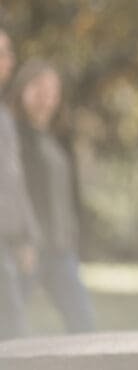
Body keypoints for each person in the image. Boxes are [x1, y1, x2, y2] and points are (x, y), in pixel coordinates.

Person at [9, 60, 96, 334]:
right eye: (38, 87)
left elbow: (69, 195)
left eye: (52, 89)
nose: (46, 96)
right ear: (22, 90)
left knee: (84, 324)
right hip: (28, 249)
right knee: (10, 327)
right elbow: (12, 192)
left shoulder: (58, 138)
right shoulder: (12, 135)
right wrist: (22, 239)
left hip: (61, 248)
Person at [0, 28, 41, 340]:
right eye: (3, 53)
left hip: (10, 239)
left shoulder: (4, 117)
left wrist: (27, 236)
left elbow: (13, 180)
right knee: (16, 329)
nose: (10, 60)